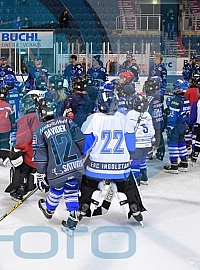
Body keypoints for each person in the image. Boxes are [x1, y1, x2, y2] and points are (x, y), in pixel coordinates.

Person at [79, 89, 144, 227]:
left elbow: (85, 147)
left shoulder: (94, 119)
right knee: (127, 183)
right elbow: (131, 147)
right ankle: (133, 204)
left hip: (97, 167)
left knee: (87, 182)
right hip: (121, 168)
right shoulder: (124, 118)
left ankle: (85, 204)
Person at [33, 96, 86, 236]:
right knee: (71, 188)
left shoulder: (40, 131)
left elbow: (40, 156)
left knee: (57, 186)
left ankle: (49, 208)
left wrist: (41, 173)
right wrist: (79, 154)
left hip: (57, 168)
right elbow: (80, 140)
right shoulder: (67, 121)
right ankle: (72, 213)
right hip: (75, 164)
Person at [164, 80, 191, 173]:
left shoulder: (175, 101)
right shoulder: (186, 100)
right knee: (181, 143)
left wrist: (170, 126)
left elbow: (172, 115)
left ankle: (174, 164)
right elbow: (188, 116)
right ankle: (184, 162)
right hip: (183, 125)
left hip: (175, 126)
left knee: (172, 143)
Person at [127, 94, 154, 185]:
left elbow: (128, 129)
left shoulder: (131, 114)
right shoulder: (147, 115)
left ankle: (135, 179)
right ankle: (144, 177)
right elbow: (151, 130)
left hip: (137, 143)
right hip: (147, 144)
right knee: (143, 160)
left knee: (135, 161)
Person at [144, 77, 165, 162]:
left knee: (151, 137)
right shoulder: (159, 96)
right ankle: (161, 152)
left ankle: (150, 152)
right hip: (160, 120)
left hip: (152, 122)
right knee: (159, 136)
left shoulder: (149, 99)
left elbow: (146, 111)